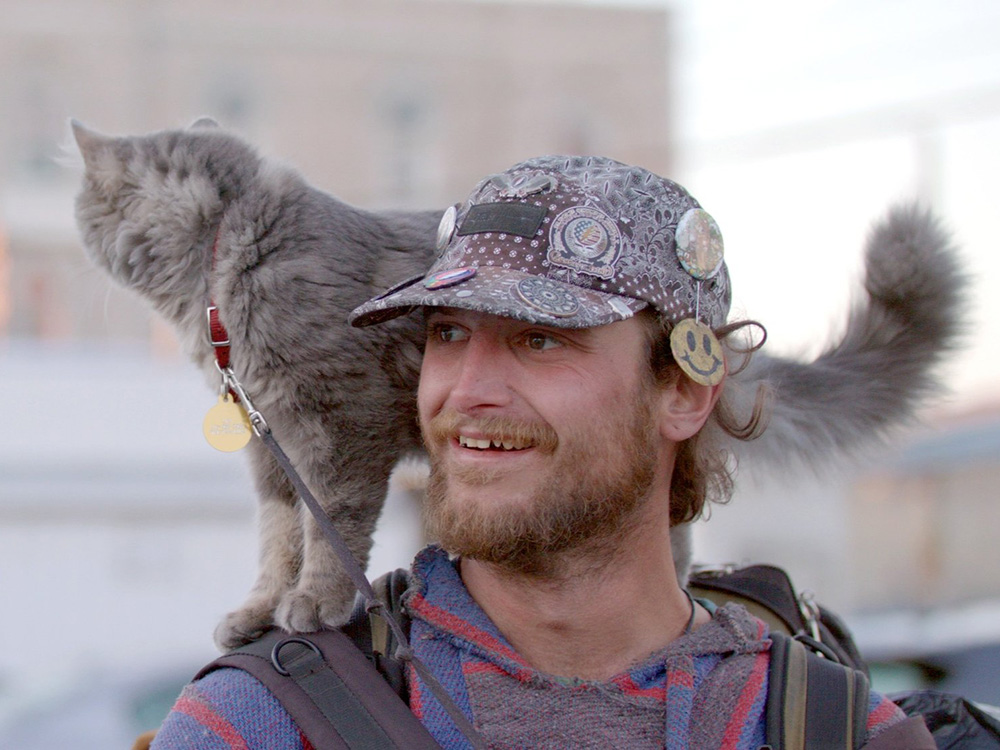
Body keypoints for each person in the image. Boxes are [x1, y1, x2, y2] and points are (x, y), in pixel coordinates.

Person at [150, 156, 935, 748]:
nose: (465, 390)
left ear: (684, 392)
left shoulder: (833, 728)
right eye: (446, 333)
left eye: (539, 338)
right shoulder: (259, 724)